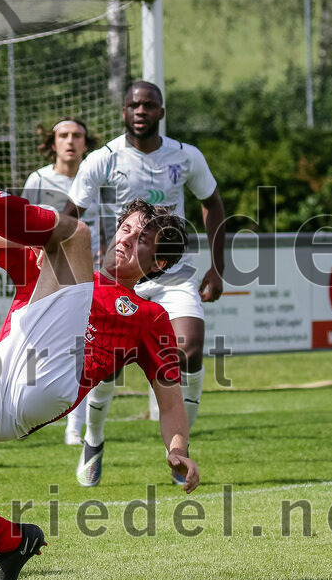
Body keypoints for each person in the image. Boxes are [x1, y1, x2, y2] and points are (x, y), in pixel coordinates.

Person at [0, 101, 198, 580]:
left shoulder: (148, 316)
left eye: (142, 242)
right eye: (127, 230)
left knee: (73, 234)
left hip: (49, 384)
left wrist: (178, 450)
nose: (126, 242)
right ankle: (11, 541)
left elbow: (171, 403)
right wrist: (24, 238)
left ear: (157, 266)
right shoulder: (53, 263)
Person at [65, 80, 226, 487]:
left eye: (149, 105)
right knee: (106, 366)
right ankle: (93, 438)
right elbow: (70, 215)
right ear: (124, 112)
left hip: (173, 273)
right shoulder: (103, 159)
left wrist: (217, 267)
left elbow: (212, 202)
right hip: (121, 278)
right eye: (134, 105)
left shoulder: (186, 156)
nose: (141, 111)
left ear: (161, 112)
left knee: (189, 349)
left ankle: (179, 452)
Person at [21, 118, 99, 446]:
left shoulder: (96, 176)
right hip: (46, 275)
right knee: (33, 343)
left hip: (90, 275)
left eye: (77, 135)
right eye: (63, 135)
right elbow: (22, 225)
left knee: (83, 349)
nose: (70, 141)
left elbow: (111, 224)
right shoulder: (38, 180)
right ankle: (23, 410)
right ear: (52, 143)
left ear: (86, 142)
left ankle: (74, 427)